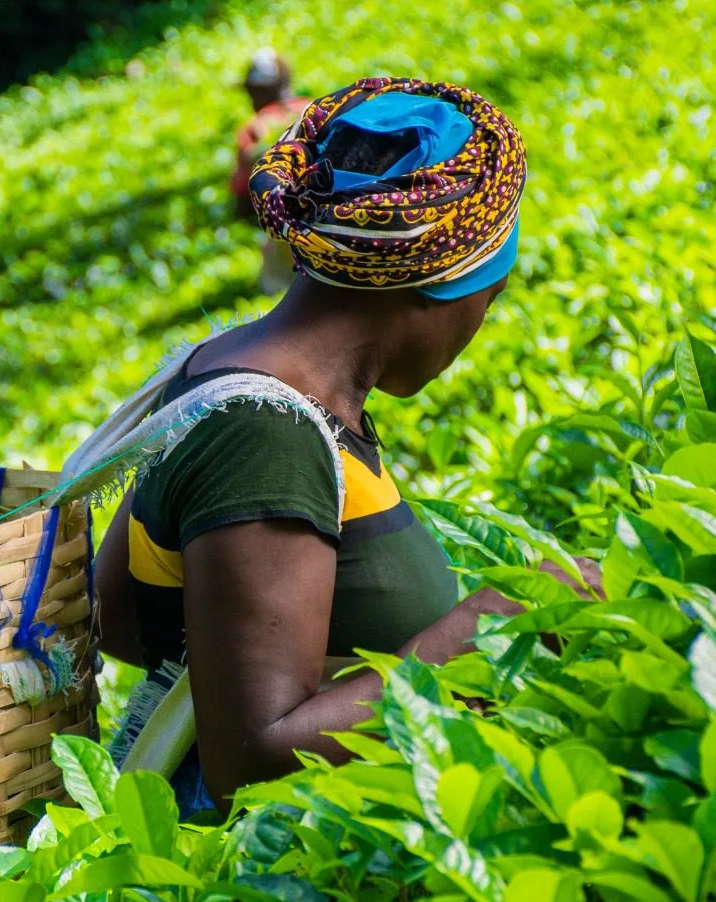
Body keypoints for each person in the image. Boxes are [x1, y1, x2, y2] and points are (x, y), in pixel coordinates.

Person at [64, 77, 596, 820]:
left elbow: (122, 611)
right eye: (491, 296)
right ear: (437, 284)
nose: (481, 323)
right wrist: (487, 630)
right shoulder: (264, 434)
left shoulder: (225, 366)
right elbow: (251, 761)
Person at [230, 50, 312, 294]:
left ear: (258, 92)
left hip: (287, 235)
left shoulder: (255, 130)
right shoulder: (315, 109)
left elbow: (242, 201)